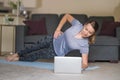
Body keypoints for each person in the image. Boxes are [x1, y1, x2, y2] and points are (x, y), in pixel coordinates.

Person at [6, 13, 99, 69]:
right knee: (34, 47)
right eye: (86, 29)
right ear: (85, 25)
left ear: (92, 34)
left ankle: (18, 59)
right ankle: (16, 54)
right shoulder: (77, 24)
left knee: (36, 55)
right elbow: (66, 16)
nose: (86, 32)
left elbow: (85, 63)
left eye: (90, 32)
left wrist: (81, 67)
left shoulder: (85, 45)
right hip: (53, 38)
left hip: (55, 51)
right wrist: (58, 29)